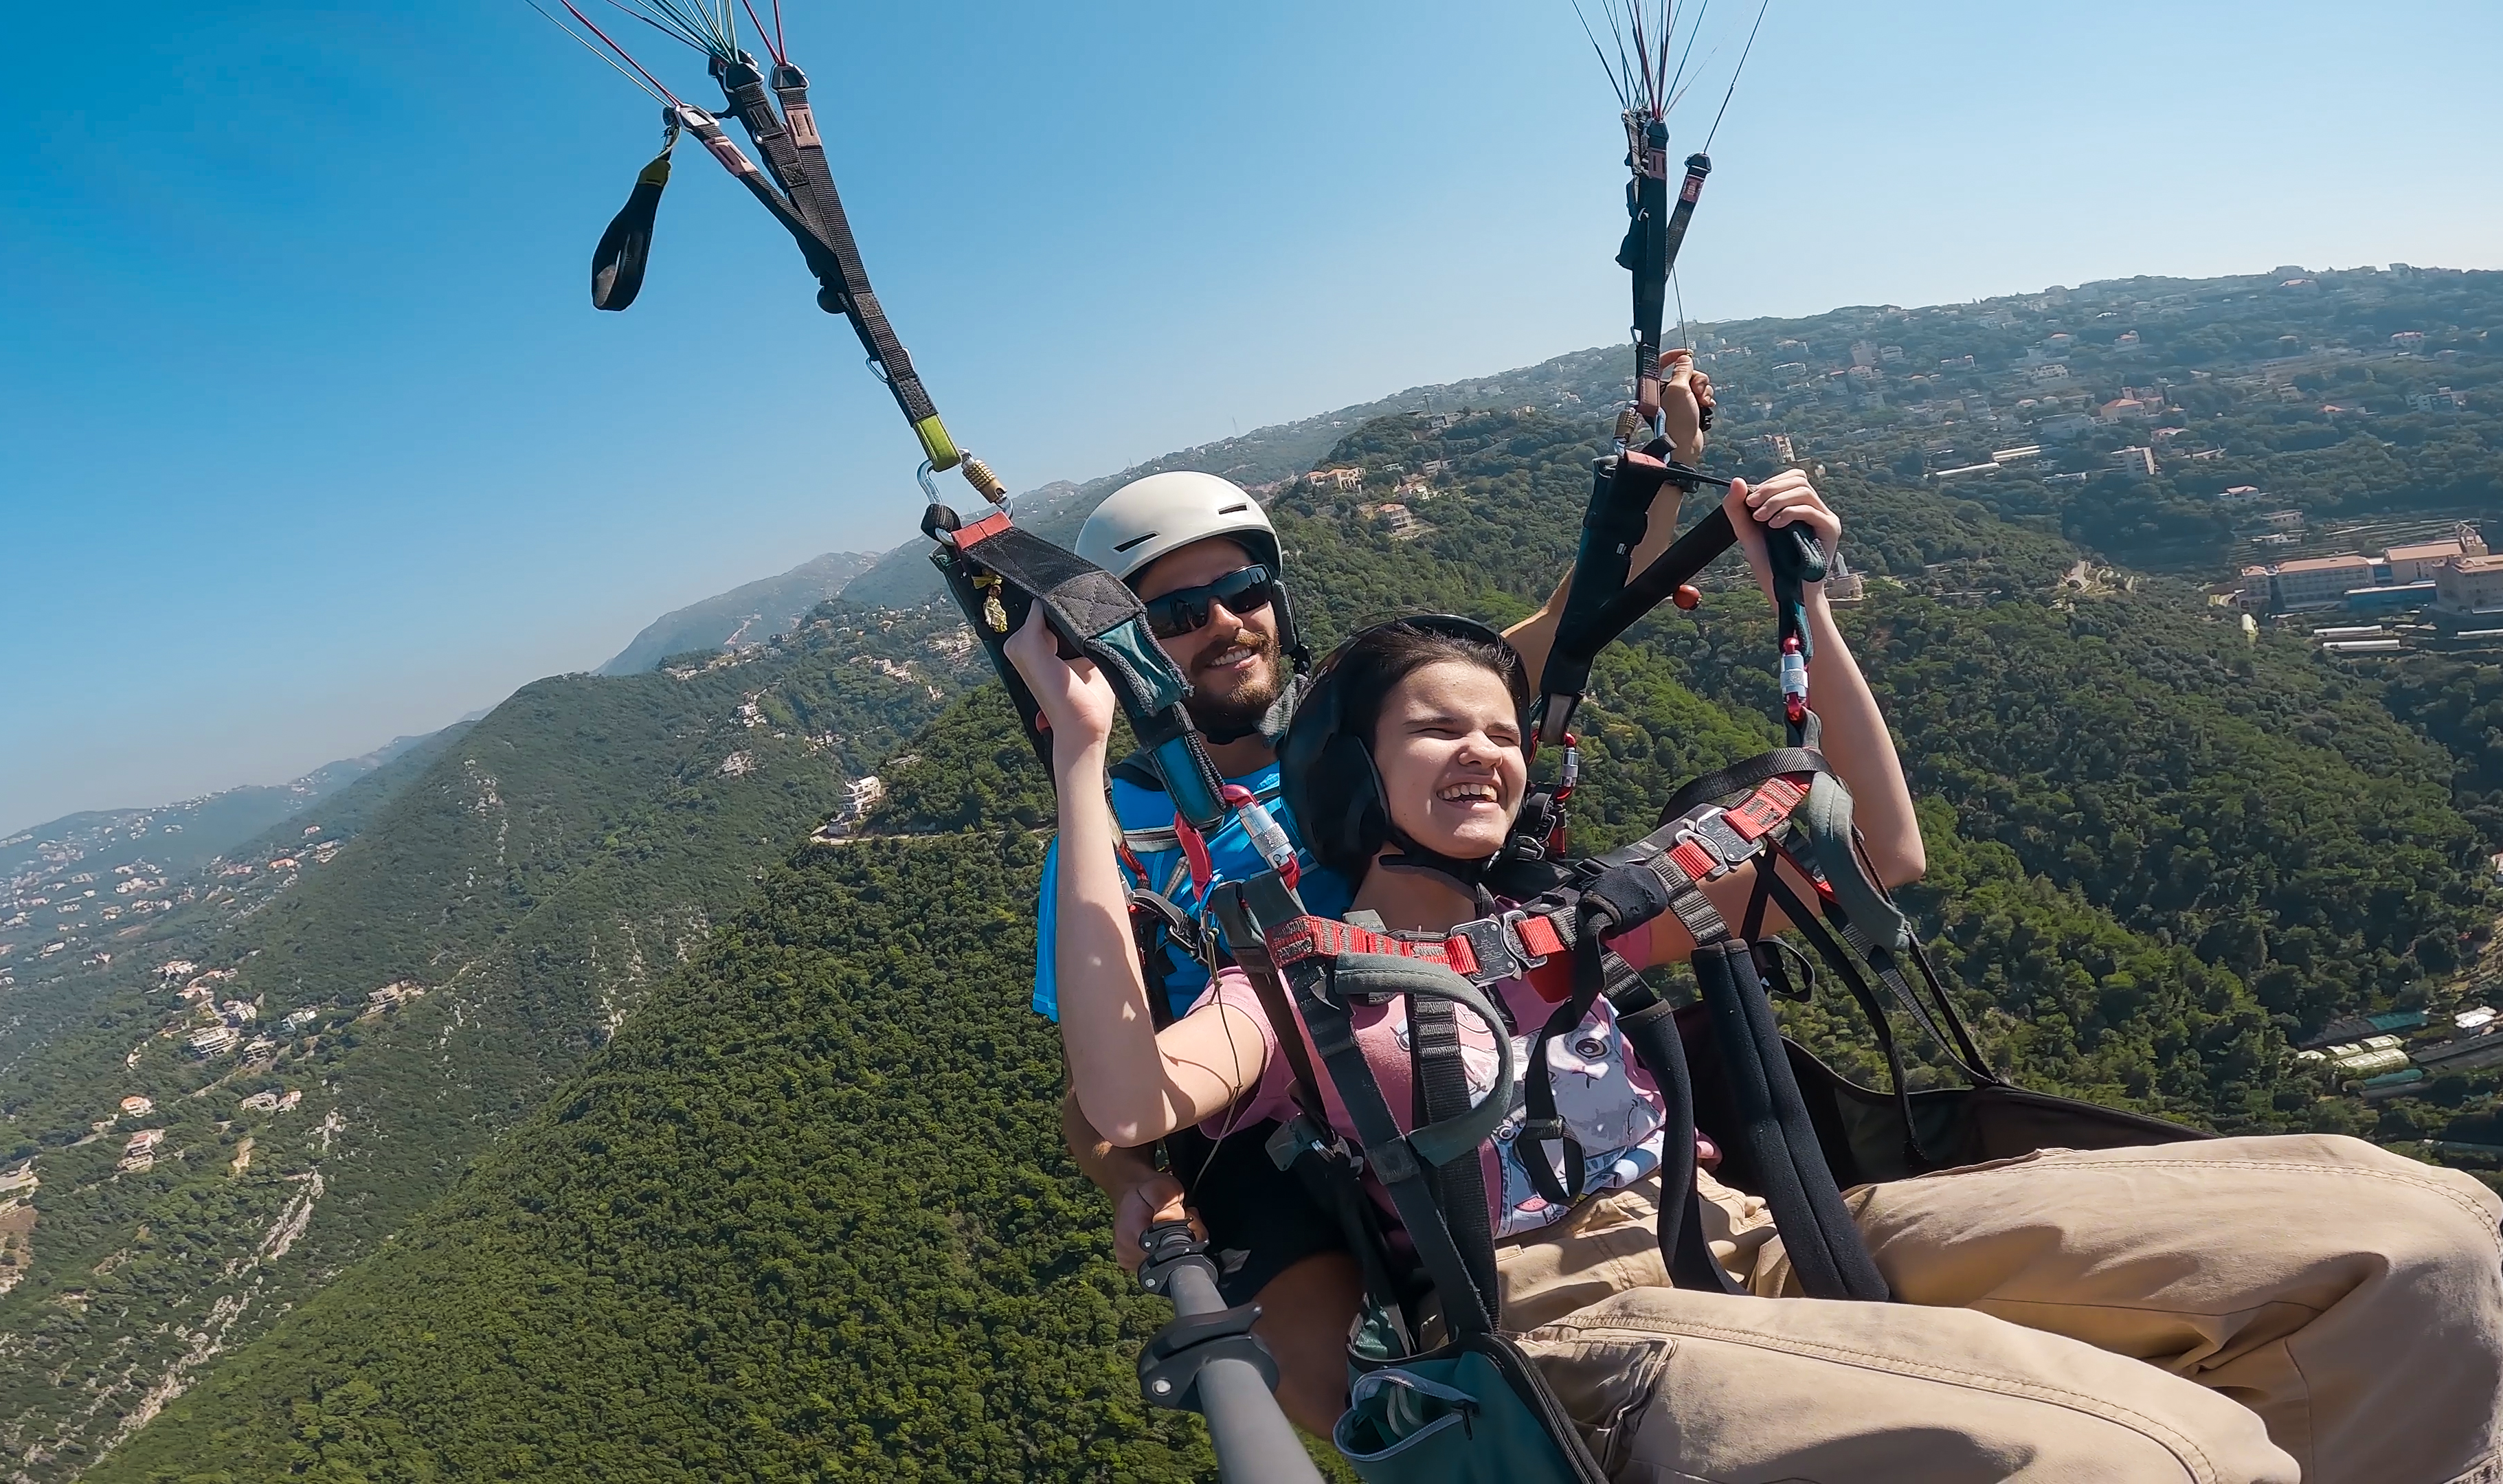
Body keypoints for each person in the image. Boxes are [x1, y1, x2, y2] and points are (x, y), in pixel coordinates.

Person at [1010, 474, 2503, 1481]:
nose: (1483, 748)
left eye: (1502, 738)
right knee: (2156, 1462)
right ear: (1360, 779)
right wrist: (1084, 760)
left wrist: (1796, 586)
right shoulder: (1284, 977)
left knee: (2433, 1249)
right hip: (1551, 1303)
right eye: (1179, 609)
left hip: (1756, 1225)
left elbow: (1874, 850)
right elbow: (1123, 1093)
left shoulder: (1574, 916)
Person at [1036, 357, 1718, 1433]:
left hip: (1447, 1030)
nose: (1222, 624)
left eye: (1241, 591)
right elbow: (1097, 1095)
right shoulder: (1114, 841)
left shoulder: (1373, 732)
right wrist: (1131, 1182)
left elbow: (1559, 629)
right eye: (1173, 612)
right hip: (1252, 1094)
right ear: (1126, 649)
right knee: (1319, 1385)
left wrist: (1666, 466)